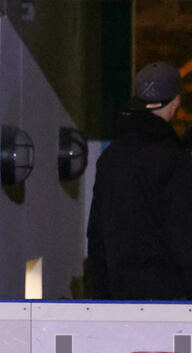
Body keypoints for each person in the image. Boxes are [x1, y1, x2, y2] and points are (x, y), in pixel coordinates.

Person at [87, 61, 192, 300]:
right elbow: (183, 234)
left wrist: (103, 295)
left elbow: (96, 235)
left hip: (119, 293)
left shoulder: (111, 157)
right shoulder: (175, 160)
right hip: (169, 298)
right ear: (175, 102)